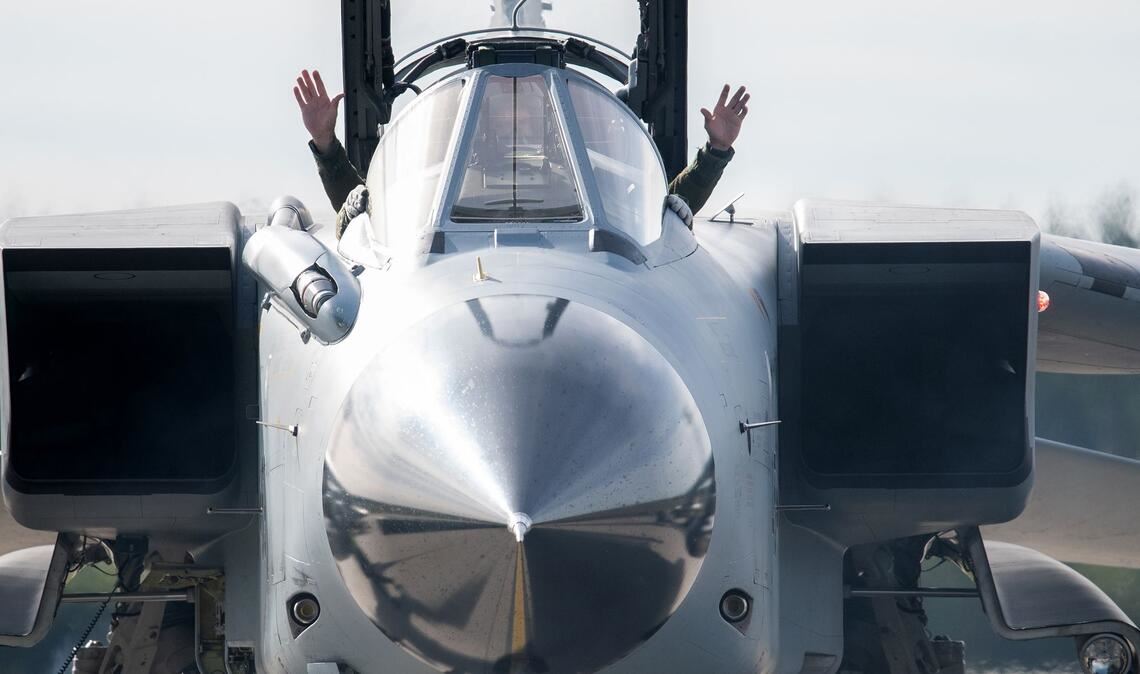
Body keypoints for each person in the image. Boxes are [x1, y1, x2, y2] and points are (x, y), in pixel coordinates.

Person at [293, 69, 749, 236]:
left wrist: (716, 151)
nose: (516, 111)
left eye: (531, 101)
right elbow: (369, 223)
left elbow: (664, 213)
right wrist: (326, 145)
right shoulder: (432, 186)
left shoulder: (592, 184)